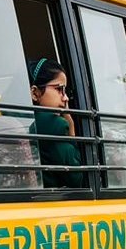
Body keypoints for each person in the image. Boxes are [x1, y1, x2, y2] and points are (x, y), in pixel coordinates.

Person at [29, 57, 84, 188]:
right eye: (59, 89)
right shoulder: (55, 126)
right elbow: (76, 180)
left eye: (65, 91)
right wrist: (71, 127)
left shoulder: (29, 123)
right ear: (35, 93)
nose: (65, 98)